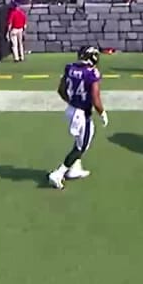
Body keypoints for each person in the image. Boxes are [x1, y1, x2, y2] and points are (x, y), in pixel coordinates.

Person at [48, 46, 107, 190]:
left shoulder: (70, 68)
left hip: (71, 109)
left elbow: (61, 90)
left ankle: (74, 168)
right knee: (83, 145)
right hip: (82, 113)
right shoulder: (92, 72)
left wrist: (72, 102)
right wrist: (102, 112)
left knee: (79, 140)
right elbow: (95, 97)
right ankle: (59, 173)